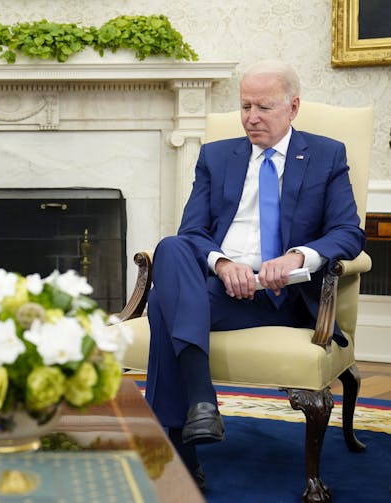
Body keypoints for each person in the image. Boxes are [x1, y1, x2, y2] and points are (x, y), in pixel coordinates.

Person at [143, 60, 365, 489]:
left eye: (263, 106)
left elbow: (348, 232)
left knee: (161, 305)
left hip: (284, 297)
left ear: (293, 107)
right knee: (171, 247)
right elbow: (193, 232)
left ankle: (184, 449)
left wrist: (299, 257)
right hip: (224, 289)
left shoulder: (326, 154)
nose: (251, 117)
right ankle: (202, 403)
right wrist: (224, 265)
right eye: (245, 106)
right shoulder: (216, 156)